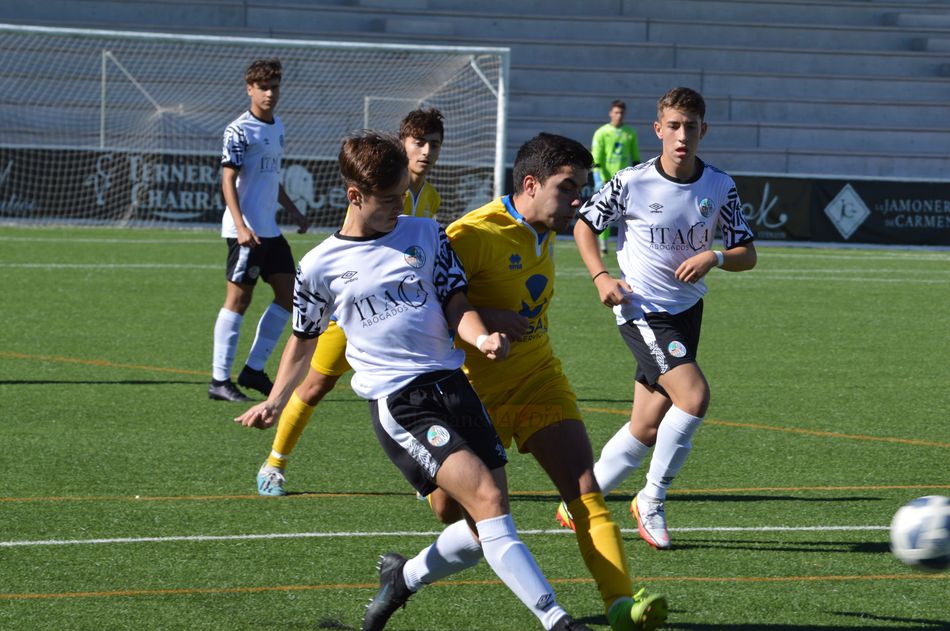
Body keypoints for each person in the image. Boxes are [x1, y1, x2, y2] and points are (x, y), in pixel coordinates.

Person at [236, 131, 593, 631]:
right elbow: (303, 339)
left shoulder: (426, 234)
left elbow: (455, 303)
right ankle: (557, 621)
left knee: (474, 524)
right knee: (489, 504)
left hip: (455, 386)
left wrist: (482, 338)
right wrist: (275, 399)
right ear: (354, 196)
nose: (400, 205)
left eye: (404, 193)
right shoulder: (319, 266)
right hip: (401, 402)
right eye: (388, 199)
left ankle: (402, 579)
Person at [413, 133, 666, 631]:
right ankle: (407, 575)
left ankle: (620, 603)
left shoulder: (550, 226)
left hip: (538, 377)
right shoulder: (472, 234)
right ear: (531, 184)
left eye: (582, 188)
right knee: (452, 514)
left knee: (585, 490)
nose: (579, 200)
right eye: (568, 188)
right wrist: (487, 320)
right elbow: (421, 308)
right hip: (470, 394)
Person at [563, 87, 756, 550]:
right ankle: (650, 499)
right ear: (658, 130)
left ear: (703, 130)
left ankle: (578, 502)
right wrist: (600, 277)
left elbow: (747, 253)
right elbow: (584, 224)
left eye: (691, 126)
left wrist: (715, 257)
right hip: (642, 309)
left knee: (647, 424)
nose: (682, 135)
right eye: (673, 126)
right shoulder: (632, 181)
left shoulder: (720, 186)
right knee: (693, 396)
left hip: (688, 310)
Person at [249, 108, 445, 495]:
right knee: (315, 385)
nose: (426, 151)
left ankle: (432, 475)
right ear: (400, 144)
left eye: (434, 144)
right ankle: (274, 463)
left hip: (402, 311)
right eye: (418, 143)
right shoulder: (373, 190)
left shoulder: (431, 198)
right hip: (354, 313)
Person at [208, 57, 309, 402]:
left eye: (274, 87)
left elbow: (271, 178)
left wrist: (294, 211)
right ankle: (219, 380)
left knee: (290, 295)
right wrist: (239, 226)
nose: (270, 93)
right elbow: (227, 179)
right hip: (246, 231)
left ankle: (253, 369)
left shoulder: (277, 126)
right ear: (249, 89)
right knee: (239, 300)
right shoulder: (238, 130)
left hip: (270, 230)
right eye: (263, 87)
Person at [591, 100, 640, 255]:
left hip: (626, 180)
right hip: (606, 180)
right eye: (616, 112)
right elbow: (596, 158)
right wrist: (599, 178)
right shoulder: (601, 132)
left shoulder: (629, 132)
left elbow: (636, 157)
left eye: (621, 112)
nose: (618, 115)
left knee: (628, 214)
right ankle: (603, 245)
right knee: (604, 214)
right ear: (610, 113)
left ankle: (628, 244)